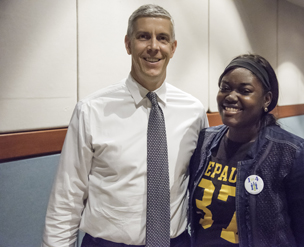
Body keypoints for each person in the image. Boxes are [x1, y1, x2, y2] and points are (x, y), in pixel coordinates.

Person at [42, 4, 208, 247]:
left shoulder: (194, 112)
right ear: (128, 44)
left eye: (162, 38)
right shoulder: (91, 110)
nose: (153, 46)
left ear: (173, 48)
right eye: (143, 37)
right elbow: (67, 198)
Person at [188, 54, 304, 246]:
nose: (230, 96)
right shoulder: (205, 141)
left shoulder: (293, 153)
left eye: (244, 90)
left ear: (266, 99)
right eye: (225, 88)